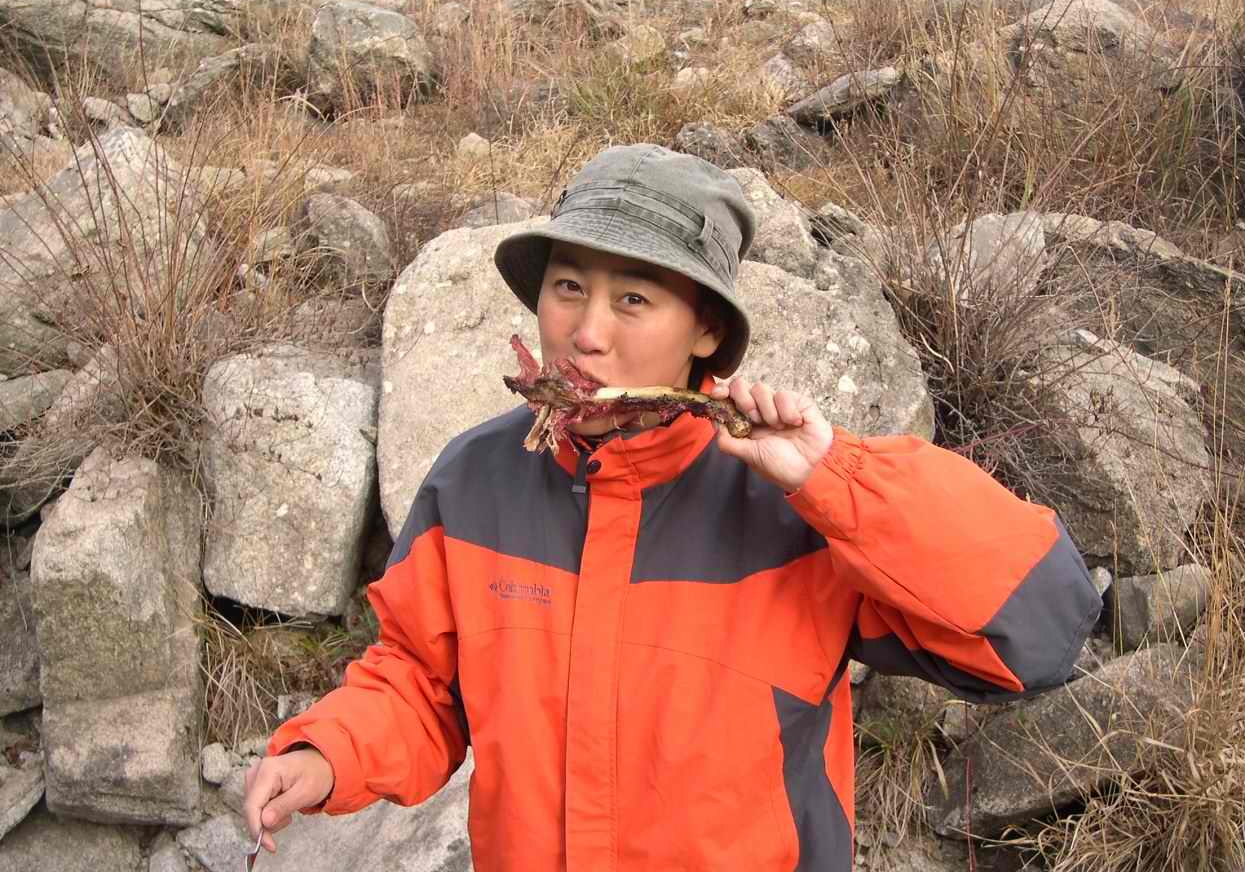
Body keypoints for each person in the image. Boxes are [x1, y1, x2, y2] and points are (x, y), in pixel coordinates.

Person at [243, 144, 1102, 870]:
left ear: (705, 332)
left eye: (634, 299)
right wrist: (328, 754)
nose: (586, 332)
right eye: (568, 286)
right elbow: (423, 685)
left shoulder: (795, 507)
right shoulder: (475, 484)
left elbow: (1039, 629)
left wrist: (838, 479)